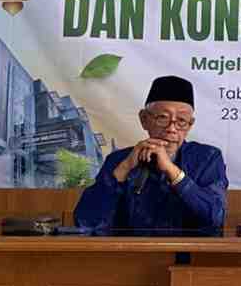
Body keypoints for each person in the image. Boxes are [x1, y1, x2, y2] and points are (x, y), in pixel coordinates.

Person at [74, 75, 227, 232]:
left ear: (190, 125)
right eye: (163, 118)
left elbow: (215, 218)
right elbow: (85, 222)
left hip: (189, 249)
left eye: (181, 120)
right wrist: (124, 168)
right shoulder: (119, 160)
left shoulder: (207, 158)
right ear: (144, 119)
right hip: (131, 248)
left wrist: (171, 170)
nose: (172, 129)